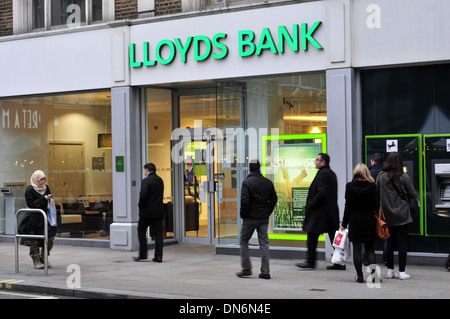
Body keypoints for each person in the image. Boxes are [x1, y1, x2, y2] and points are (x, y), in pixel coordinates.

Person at [296, 153, 342, 270]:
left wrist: (312, 203)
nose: (315, 162)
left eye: (317, 160)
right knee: (333, 238)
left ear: (323, 162)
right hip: (329, 212)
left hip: (320, 212)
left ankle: (310, 261)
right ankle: (339, 262)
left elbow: (322, 192)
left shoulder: (323, 174)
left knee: (312, 236)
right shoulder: (331, 173)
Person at [376, 152, 416, 280]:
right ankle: (402, 272)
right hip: (402, 214)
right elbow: (413, 194)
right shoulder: (403, 176)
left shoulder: (381, 176)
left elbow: (376, 191)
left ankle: (390, 271)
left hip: (387, 214)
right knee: (402, 243)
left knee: (390, 243)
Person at [237, 160, 277, 279]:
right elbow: (274, 199)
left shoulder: (247, 183)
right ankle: (265, 272)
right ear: (259, 169)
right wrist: (268, 212)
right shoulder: (268, 182)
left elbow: (245, 201)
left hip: (250, 218)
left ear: (249, 169)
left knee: (243, 240)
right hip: (263, 218)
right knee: (264, 244)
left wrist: (243, 215)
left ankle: (246, 268)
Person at [341, 163, 379, 283]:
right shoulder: (372, 187)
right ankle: (374, 277)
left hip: (355, 220)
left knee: (357, 249)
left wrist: (344, 223)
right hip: (369, 220)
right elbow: (376, 206)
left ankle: (360, 276)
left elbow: (348, 207)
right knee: (370, 249)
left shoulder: (349, 187)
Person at [22, 170, 57, 269]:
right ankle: (36, 260)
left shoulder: (46, 188)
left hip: (45, 217)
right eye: (40, 179)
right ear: (36, 180)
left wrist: (49, 199)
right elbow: (31, 204)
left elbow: (48, 201)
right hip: (34, 218)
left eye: (44, 179)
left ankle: (44, 257)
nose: (42, 181)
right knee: (34, 240)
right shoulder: (30, 189)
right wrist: (44, 198)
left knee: (50, 237)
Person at [133, 163, 164, 263]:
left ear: (147, 170)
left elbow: (143, 196)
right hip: (158, 212)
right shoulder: (160, 180)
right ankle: (158, 256)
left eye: (144, 170)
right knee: (158, 234)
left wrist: (140, 206)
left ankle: (143, 254)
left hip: (146, 212)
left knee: (141, 231)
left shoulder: (146, 181)